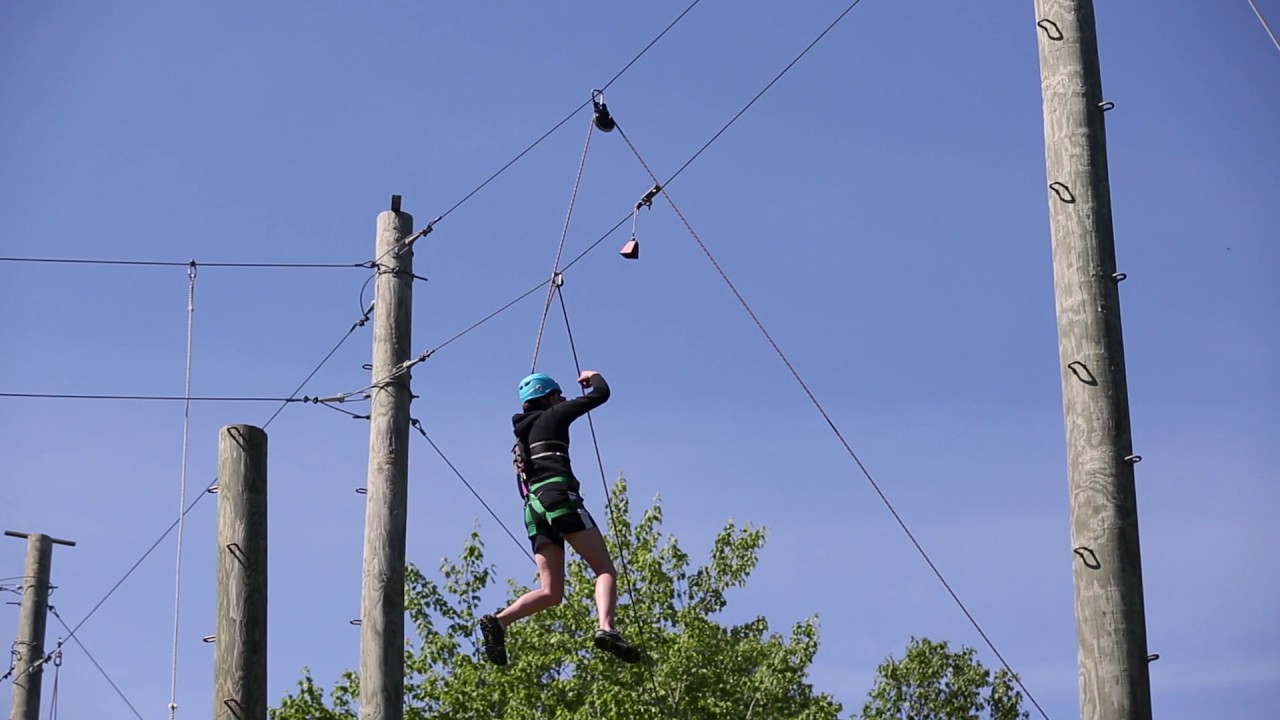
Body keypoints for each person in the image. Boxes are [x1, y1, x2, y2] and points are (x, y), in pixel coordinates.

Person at [478, 370, 641, 666]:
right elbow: (600, 395)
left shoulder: (521, 437)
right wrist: (595, 377)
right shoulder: (554, 416)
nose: (564, 399)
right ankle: (607, 629)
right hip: (559, 499)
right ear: (549, 397)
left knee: (551, 592)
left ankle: (499, 622)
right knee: (605, 569)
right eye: (559, 395)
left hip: (534, 510)